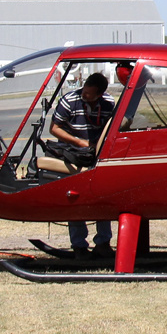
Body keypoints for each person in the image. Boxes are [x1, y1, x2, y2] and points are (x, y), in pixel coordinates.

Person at [50, 70, 115, 255]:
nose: (84, 95)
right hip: (73, 153)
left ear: (100, 94)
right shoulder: (69, 100)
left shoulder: (108, 103)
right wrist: (79, 142)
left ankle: (103, 242)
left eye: (88, 93)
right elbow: (54, 128)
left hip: (97, 155)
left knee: (101, 197)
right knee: (75, 197)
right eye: (84, 91)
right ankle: (79, 244)